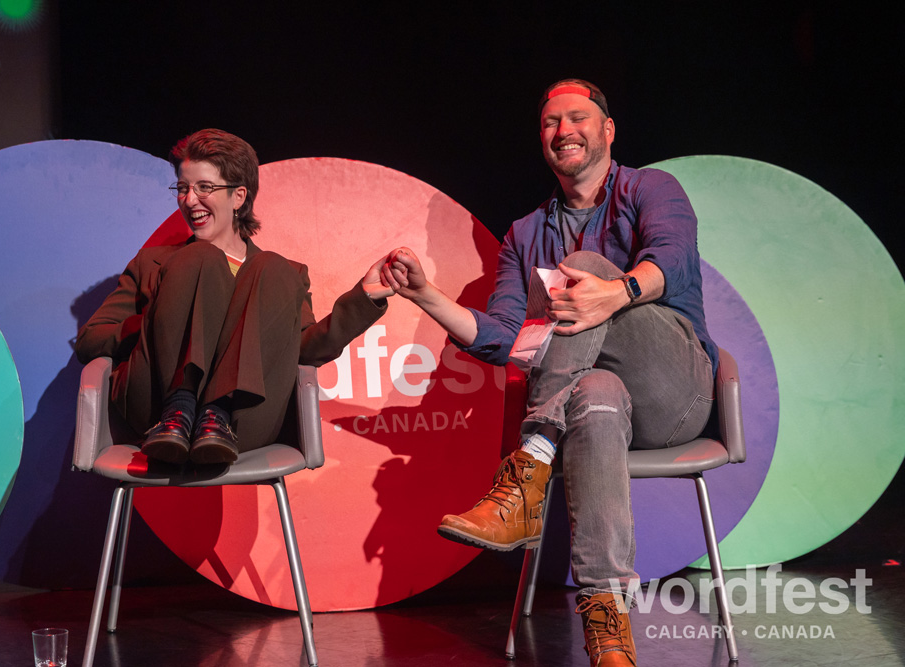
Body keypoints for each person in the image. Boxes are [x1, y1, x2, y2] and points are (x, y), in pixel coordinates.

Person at [381, 79, 717, 666]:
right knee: (596, 391)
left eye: (577, 118)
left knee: (582, 271)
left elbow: (673, 258)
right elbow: (508, 339)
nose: (564, 131)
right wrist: (425, 295)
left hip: (675, 393)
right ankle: (609, 630)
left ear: (607, 130)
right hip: (592, 410)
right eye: (550, 122)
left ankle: (529, 464)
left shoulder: (651, 188)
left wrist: (614, 292)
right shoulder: (525, 233)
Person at [75, 129, 393, 465]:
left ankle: (216, 415)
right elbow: (90, 340)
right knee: (200, 256)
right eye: (182, 188)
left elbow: (303, 349)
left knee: (272, 265)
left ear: (238, 196)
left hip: (239, 422)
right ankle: (180, 407)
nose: (189, 200)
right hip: (156, 412)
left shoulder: (280, 276)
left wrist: (364, 299)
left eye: (204, 187)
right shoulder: (151, 263)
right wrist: (160, 319)